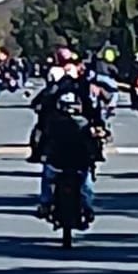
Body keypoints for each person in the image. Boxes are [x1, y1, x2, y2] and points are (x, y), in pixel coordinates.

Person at [36, 90, 98, 226]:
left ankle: (45, 204)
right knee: (86, 185)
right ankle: (87, 208)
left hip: (63, 162)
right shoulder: (83, 123)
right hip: (72, 163)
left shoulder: (53, 121)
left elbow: (43, 140)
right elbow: (92, 144)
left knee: (48, 179)